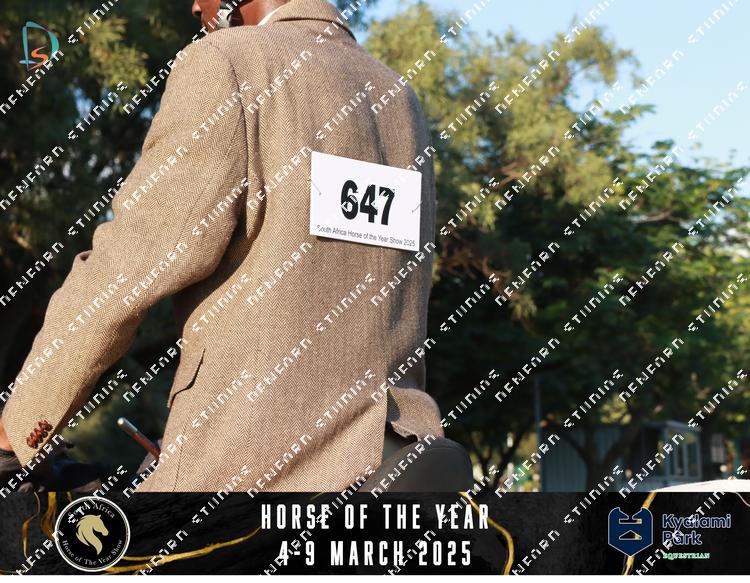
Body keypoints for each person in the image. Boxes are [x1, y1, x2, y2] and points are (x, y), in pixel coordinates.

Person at [0, 0, 447, 492]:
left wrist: (19, 427)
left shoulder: (229, 61)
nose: (195, 5)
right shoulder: (398, 95)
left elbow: (129, 264)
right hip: (396, 456)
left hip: (251, 468)